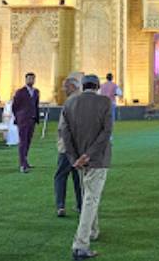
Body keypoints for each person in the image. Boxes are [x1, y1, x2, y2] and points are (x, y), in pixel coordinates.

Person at [59, 74, 112, 261]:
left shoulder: (70, 103)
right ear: (97, 86)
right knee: (91, 198)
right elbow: (106, 132)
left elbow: (64, 133)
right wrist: (88, 155)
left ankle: (92, 231)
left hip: (79, 160)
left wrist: (75, 158)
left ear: (82, 86)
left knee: (88, 195)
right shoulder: (104, 102)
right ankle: (80, 245)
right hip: (97, 159)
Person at [55, 76, 82, 218]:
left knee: (61, 176)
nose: (63, 89)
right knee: (78, 177)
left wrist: (61, 141)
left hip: (67, 146)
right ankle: (81, 205)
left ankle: (60, 206)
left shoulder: (69, 102)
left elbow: (62, 126)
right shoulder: (85, 101)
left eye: (65, 87)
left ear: (72, 87)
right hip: (81, 146)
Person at [12, 72, 40, 173]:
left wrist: (36, 117)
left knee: (28, 141)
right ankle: (22, 164)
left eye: (32, 79)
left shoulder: (36, 92)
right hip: (23, 120)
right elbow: (15, 106)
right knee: (23, 141)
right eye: (29, 79)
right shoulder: (20, 92)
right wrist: (19, 116)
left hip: (32, 119)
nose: (31, 80)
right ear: (25, 80)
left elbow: (36, 105)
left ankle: (25, 160)